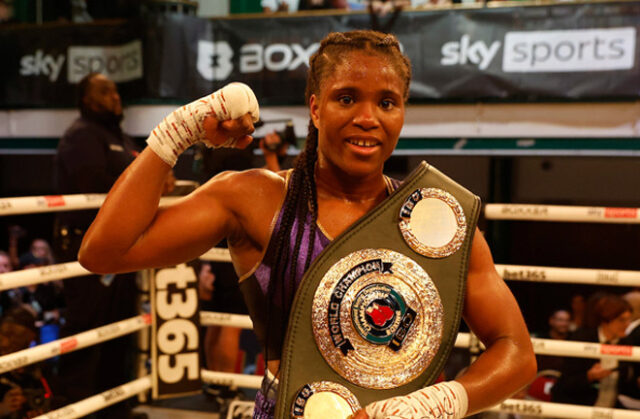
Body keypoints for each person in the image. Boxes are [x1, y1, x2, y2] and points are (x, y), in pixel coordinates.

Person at [78, 30, 536, 418]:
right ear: (315, 109)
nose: (367, 118)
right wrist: (175, 134)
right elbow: (103, 253)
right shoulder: (256, 198)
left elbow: (516, 352)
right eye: (347, 98)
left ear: (402, 113)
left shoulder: (439, 220)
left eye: (387, 102)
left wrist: (439, 402)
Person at [54, 72, 158, 419]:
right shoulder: (81, 135)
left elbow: (136, 179)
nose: (114, 96)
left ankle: (114, 406)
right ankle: (74, 407)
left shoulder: (120, 136)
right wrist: (140, 180)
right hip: (85, 247)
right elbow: (92, 184)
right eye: (104, 91)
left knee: (119, 325)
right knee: (88, 323)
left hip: (120, 246)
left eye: (115, 89)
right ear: (86, 99)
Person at [551, 294, 634, 407]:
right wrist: (589, 376)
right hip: (578, 409)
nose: (627, 324)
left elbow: (626, 385)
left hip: (610, 409)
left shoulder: (627, 343)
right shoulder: (582, 339)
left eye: (629, 319)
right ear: (606, 319)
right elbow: (563, 385)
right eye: (621, 320)